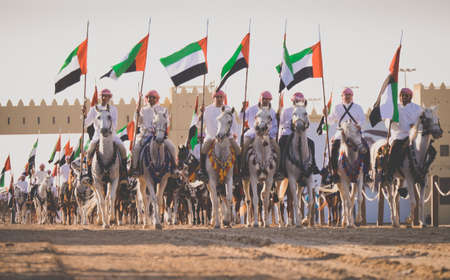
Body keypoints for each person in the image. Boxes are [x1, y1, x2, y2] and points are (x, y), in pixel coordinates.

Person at [327, 87, 370, 183]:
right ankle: (334, 173)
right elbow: (330, 121)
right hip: (341, 132)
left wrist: (359, 126)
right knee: (333, 149)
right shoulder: (337, 107)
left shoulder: (358, 107)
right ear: (342, 96)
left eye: (349, 95)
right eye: (345, 95)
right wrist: (326, 115)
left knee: (366, 148)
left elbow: (363, 120)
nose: (347, 97)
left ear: (352, 96)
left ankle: (366, 172)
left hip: (354, 132)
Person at [82, 89, 128, 178]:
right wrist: (84, 115)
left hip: (111, 135)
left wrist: (107, 130)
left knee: (123, 148)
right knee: (89, 151)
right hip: (98, 136)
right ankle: (89, 174)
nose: (104, 98)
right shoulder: (94, 109)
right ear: (100, 97)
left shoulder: (113, 109)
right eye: (103, 96)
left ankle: (124, 172)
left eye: (106, 96)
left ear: (109, 97)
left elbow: (114, 124)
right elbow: (86, 123)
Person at [197, 90, 240, 181]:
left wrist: (232, 134)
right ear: (214, 98)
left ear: (224, 98)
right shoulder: (207, 109)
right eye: (217, 97)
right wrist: (201, 114)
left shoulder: (229, 109)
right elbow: (198, 124)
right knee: (204, 148)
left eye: (221, 97)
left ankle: (238, 172)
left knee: (238, 149)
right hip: (211, 137)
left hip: (227, 137)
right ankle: (202, 171)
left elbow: (234, 125)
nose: (219, 99)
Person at [130, 90, 174, 175]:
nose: (151, 99)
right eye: (149, 97)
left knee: (172, 147)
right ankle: (135, 169)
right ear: (147, 99)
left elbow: (167, 123)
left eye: (153, 97)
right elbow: (138, 122)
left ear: (157, 99)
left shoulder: (163, 109)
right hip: (145, 136)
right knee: (135, 149)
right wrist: (137, 113)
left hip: (159, 135)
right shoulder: (143, 110)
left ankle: (173, 168)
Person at [385, 87, 422, 182]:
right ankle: (389, 174)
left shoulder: (417, 108)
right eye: (402, 95)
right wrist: (391, 121)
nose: (404, 97)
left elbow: (422, 121)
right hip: (399, 136)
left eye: (406, 95)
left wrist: (415, 126)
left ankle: (422, 172)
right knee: (394, 151)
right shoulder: (394, 108)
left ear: (410, 97)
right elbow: (387, 123)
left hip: (413, 136)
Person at [278, 92, 319, 178]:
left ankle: (313, 165)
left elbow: (308, 124)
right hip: (288, 133)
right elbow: (281, 123)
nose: (298, 102)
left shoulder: (304, 111)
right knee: (281, 143)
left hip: (300, 134)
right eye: (297, 101)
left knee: (311, 143)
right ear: (293, 101)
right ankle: (280, 168)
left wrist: (304, 126)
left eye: (300, 101)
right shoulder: (286, 110)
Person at [240, 91, 280, 178]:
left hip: (267, 135)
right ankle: (242, 168)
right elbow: (242, 118)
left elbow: (275, 126)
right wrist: (243, 108)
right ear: (260, 99)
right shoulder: (252, 109)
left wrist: (268, 133)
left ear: (270, 101)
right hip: (252, 134)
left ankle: (277, 171)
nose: (265, 101)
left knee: (277, 149)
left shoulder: (272, 112)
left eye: (267, 99)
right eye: (264, 99)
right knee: (244, 146)